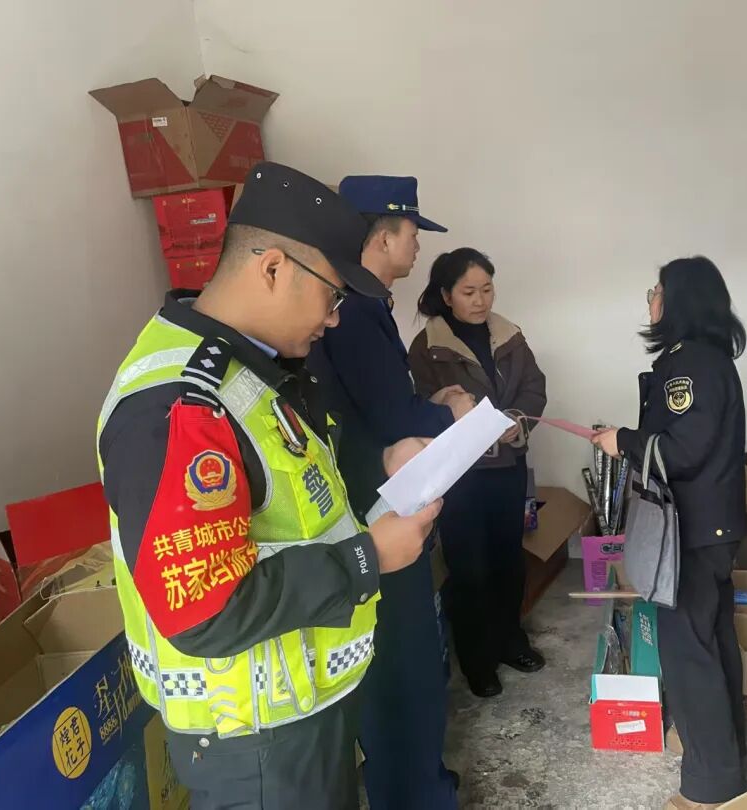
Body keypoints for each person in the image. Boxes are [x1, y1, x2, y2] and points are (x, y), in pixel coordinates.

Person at [96, 162, 442, 810]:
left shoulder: (249, 369)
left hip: (294, 720)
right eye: (332, 297)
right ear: (274, 269)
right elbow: (206, 609)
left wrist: (383, 462)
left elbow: (297, 494)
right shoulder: (180, 405)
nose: (334, 320)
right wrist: (368, 557)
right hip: (255, 747)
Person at [311, 175, 470, 810]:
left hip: (386, 503)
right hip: (378, 515)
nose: (417, 247)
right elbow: (389, 419)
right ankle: (418, 795)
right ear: (381, 237)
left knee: (410, 664)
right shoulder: (353, 312)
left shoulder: (363, 306)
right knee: (403, 669)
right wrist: (448, 414)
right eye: (412, 234)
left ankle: (422, 786)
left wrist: (429, 405)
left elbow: (385, 406)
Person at [593, 256, 747, 810]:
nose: (650, 300)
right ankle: (724, 755)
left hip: (693, 529)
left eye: (655, 290)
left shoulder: (691, 364)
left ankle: (710, 788)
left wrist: (623, 441)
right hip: (709, 525)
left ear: (678, 299)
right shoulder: (704, 358)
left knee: (688, 654)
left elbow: (684, 450)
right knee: (712, 640)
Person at [408, 248, 547, 698]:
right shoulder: (427, 347)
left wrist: (517, 419)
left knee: (508, 559)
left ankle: (510, 641)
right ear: (447, 295)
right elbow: (421, 405)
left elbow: (534, 387)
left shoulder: (509, 336)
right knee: (470, 567)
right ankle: (477, 659)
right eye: (469, 291)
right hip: (461, 475)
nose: (480, 300)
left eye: (487, 289)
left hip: (507, 465)